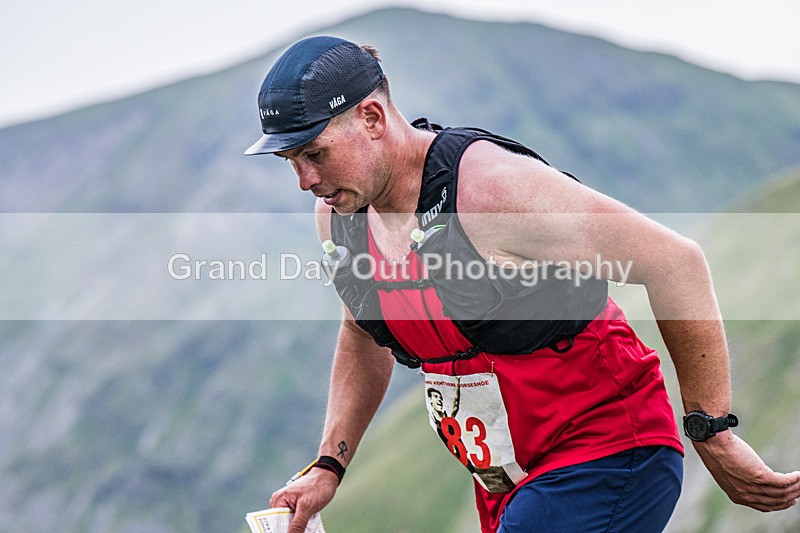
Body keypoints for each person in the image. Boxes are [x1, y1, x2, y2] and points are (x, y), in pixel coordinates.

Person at [244, 35, 800, 532]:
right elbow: (365, 331)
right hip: (508, 484)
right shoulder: (342, 214)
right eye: (290, 159)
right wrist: (329, 465)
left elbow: (674, 263)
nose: (305, 181)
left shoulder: (492, 192)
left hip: (608, 452)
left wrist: (712, 432)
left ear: (371, 118)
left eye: (314, 153)